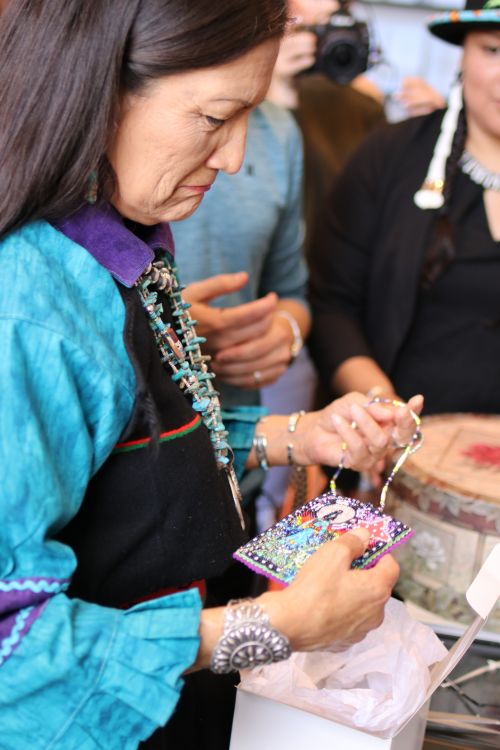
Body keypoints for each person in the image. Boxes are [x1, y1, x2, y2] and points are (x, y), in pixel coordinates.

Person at [0, 2, 422, 748]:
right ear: (97, 92)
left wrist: (291, 433)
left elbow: (121, 447)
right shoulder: (26, 311)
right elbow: (14, 657)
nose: (232, 158)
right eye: (214, 117)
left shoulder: (118, 233)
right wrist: (275, 625)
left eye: (249, 117)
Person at [309, 0, 500, 418]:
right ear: (463, 53)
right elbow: (332, 304)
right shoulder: (390, 156)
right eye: (493, 50)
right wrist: (381, 408)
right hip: (399, 452)